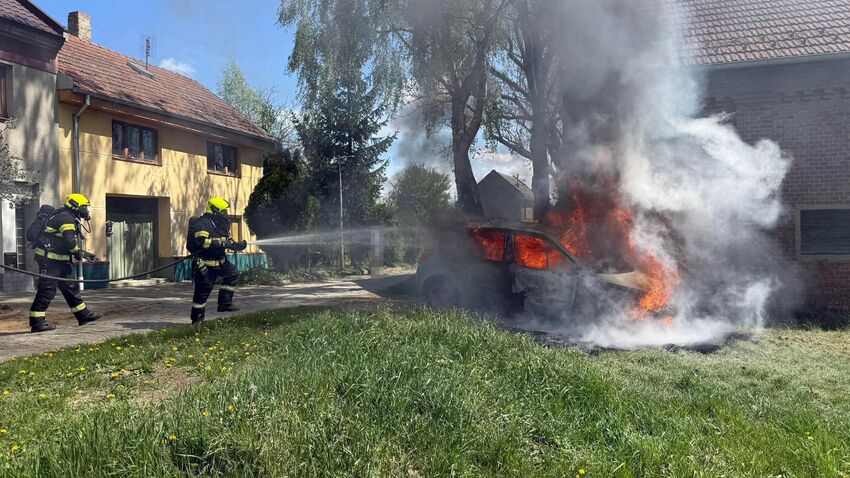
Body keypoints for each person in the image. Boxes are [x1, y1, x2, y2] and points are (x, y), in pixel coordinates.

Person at [29, 193, 102, 333]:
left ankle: (83, 315)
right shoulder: (66, 218)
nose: (86, 211)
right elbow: (69, 242)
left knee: (70, 288)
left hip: (60, 261)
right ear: (75, 205)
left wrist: (83, 253)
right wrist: (79, 253)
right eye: (84, 207)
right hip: (49, 261)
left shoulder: (67, 216)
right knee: (47, 290)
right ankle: (37, 322)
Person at [188, 198, 247, 324]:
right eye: (223, 211)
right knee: (202, 294)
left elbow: (228, 240)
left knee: (233, 274)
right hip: (205, 265)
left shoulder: (221, 224)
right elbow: (201, 242)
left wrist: (237, 245)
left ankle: (224, 304)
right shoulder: (202, 223)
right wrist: (222, 243)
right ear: (215, 210)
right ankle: (196, 321)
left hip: (221, 262)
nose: (225, 213)